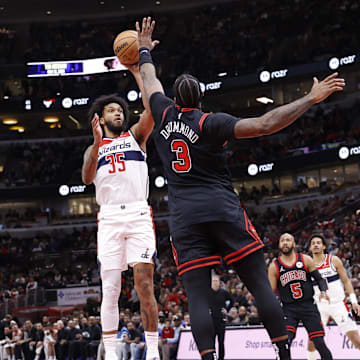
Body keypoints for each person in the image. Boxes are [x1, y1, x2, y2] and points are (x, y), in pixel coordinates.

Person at [135, 16, 345, 360]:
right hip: (221, 208)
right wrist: (309, 99)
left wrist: (144, 49)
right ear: (201, 98)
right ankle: (283, 353)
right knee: (259, 284)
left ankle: (206, 357)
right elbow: (264, 124)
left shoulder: (160, 111)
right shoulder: (210, 122)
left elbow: (149, 79)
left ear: (174, 100)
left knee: (198, 297)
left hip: (185, 217)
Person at [81, 60, 160, 360]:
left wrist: (138, 74)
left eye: (121, 110)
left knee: (144, 284)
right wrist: (97, 144)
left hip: (138, 214)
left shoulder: (136, 136)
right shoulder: (94, 149)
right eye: (112, 110)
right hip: (110, 217)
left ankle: (153, 351)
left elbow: (152, 108)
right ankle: (111, 353)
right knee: (111, 289)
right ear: (100, 118)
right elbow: (87, 178)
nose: (118, 113)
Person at [268, 233, 333, 359]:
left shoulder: (305, 259)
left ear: (294, 244)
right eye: (282, 240)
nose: (285, 243)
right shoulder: (274, 266)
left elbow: (320, 279)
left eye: (288, 240)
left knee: (319, 343)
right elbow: (271, 293)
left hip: (308, 306)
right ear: (279, 245)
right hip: (288, 309)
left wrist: (323, 292)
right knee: (285, 343)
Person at [307, 234, 360, 360]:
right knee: (312, 341)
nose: (315, 245)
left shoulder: (333, 260)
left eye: (318, 242)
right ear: (309, 248)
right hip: (318, 307)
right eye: (313, 243)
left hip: (338, 305)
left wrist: (353, 301)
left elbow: (346, 281)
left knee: (355, 338)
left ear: (324, 246)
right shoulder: (307, 265)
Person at [209, 274, 232, 360]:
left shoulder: (224, 292)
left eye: (216, 281)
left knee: (221, 341)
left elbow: (232, 300)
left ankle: (221, 358)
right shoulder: (207, 292)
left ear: (219, 282)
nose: (215, 283)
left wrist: (227, 309)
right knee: (212, 342)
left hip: (221, 320)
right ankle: (213, 357)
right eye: (213, 281)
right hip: (211, 320)